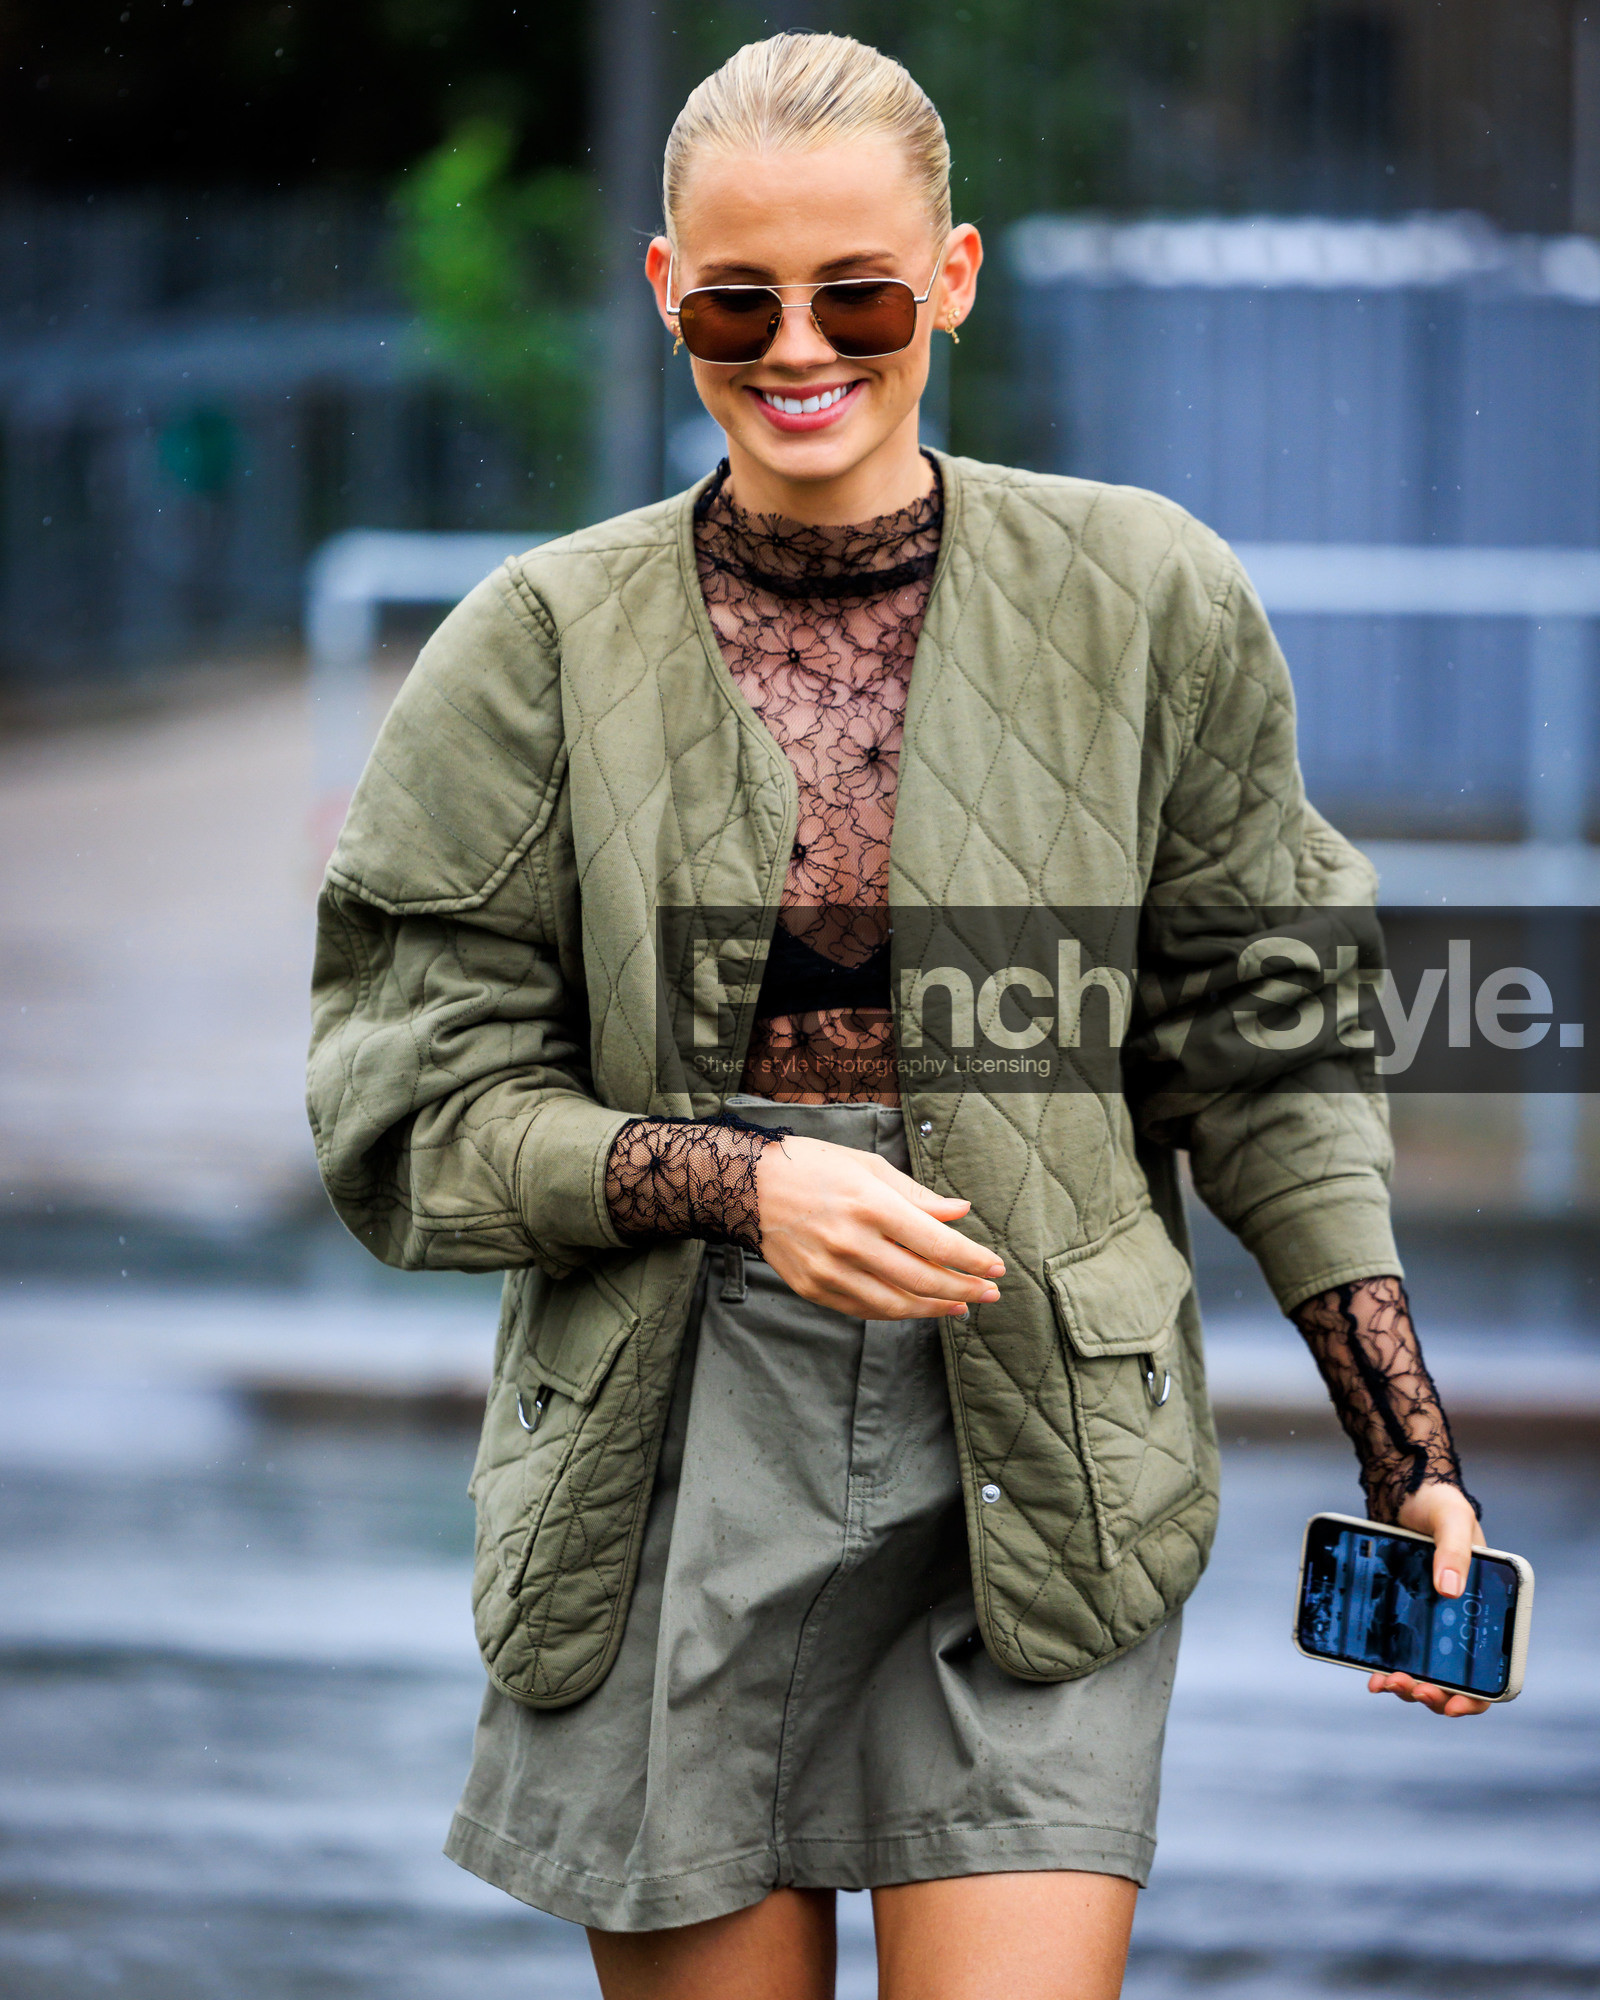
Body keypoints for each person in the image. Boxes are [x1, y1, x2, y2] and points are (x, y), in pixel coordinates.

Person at [306, 32, 1486, 2000]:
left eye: (853, 291)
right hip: (668, 1464)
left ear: (947, 274)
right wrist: (732, 1183)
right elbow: (407, 1117)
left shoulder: (1139, 594)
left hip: (1044, 1459)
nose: (797, 347)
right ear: (663, 288)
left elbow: (1262, 1043)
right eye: (738, 299)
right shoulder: (529, 647)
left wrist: (1404, 1442)